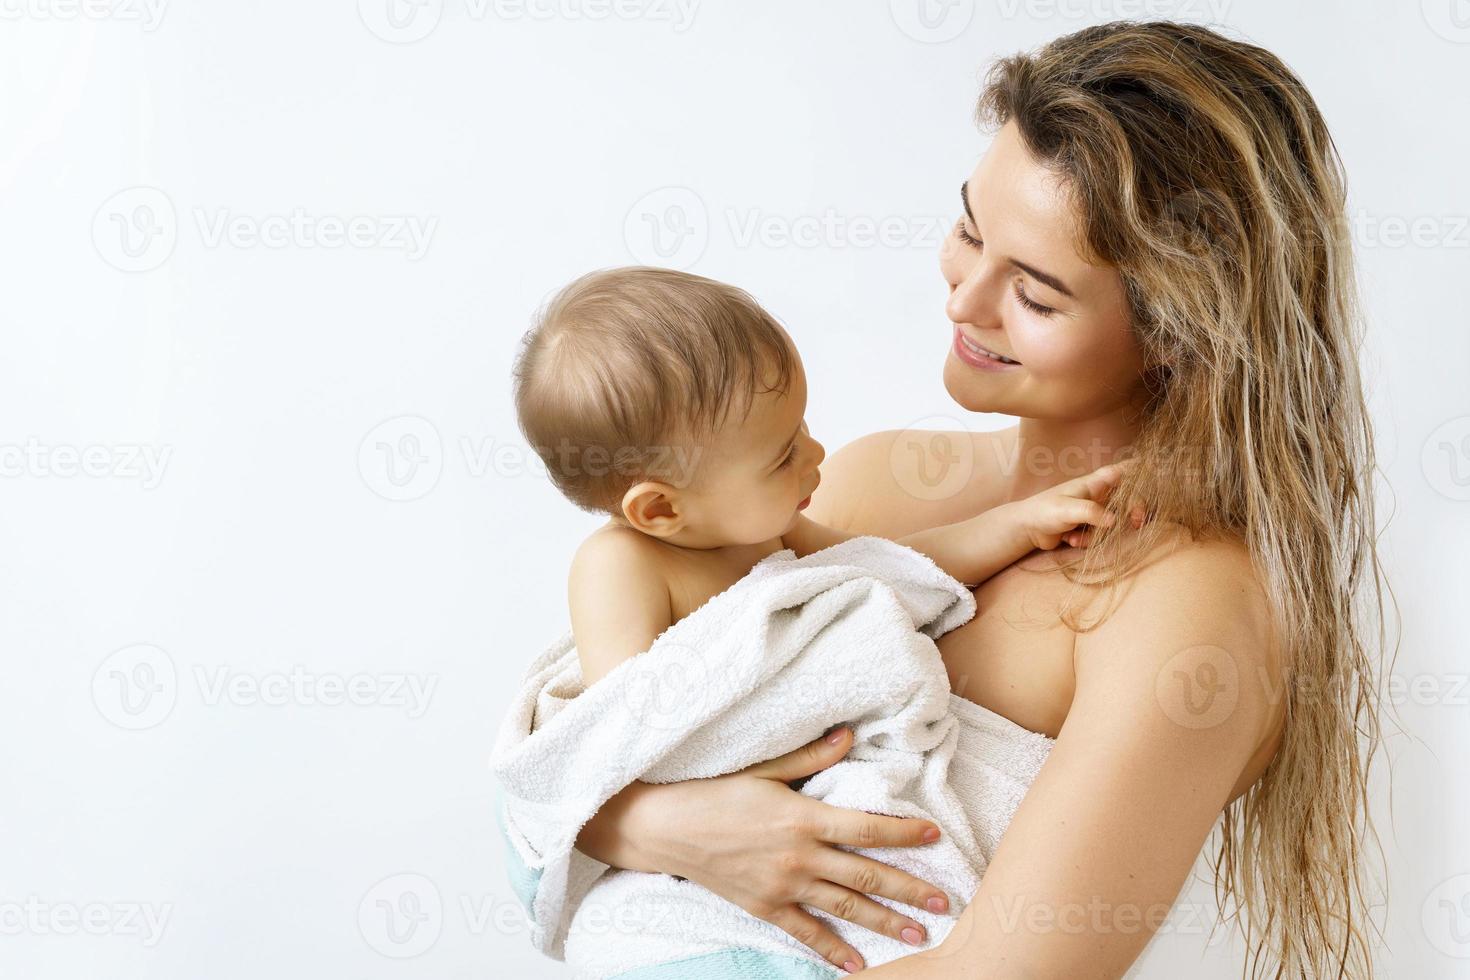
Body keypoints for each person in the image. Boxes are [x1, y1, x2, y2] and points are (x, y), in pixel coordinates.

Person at [557, 21, 1384, 977]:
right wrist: (665, 826)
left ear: (1180, 334)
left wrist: (634, 826)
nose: (963, 301)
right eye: (968, 230)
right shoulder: (866, 479)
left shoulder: (1184, 605)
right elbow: (606, 730)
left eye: (1034, 296)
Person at [512, 266, 1124, 687]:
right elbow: (630, 726)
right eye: (782, 456)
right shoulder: (619, 567)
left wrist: (1020, 524)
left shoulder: (769, 532)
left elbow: (892, 564)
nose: (817, 453)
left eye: (801, 427)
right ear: (661, 510)